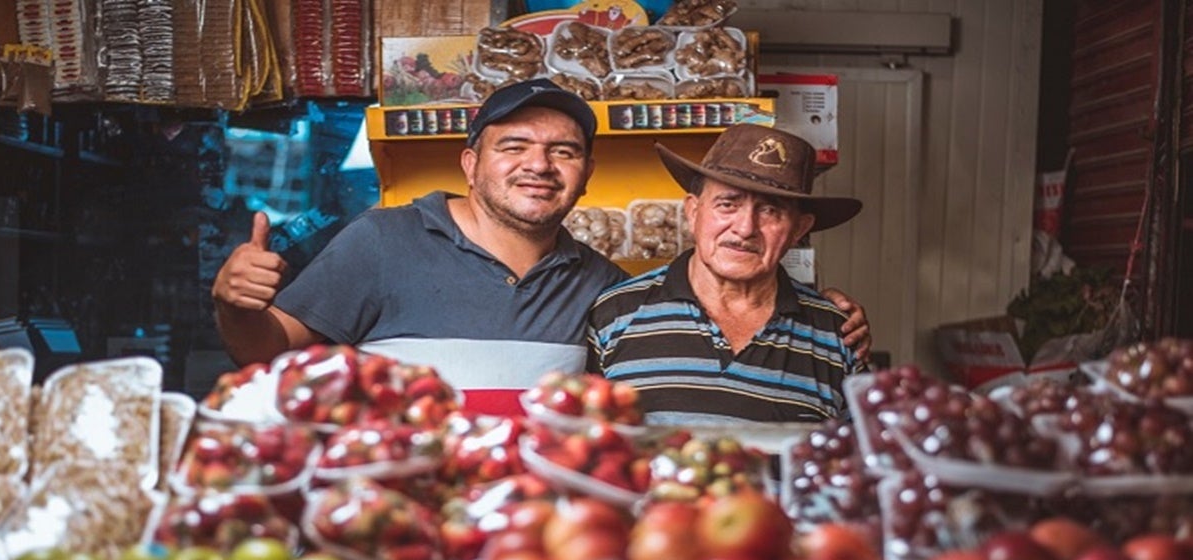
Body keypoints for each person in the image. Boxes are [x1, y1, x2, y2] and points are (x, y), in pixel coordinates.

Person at [212, 78, 870, 416]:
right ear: (471, 164)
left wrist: (821, 316)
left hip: (537, 557)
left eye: (564, 152)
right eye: (515, 148)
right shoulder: (381, 242)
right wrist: (236, 307)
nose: (540, 166)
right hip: (397, 550)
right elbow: (265, 354)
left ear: (584, 176)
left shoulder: (602, 291)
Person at [586, 122, 866, 426]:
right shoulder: (613, 315)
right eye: (727, 204)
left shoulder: (838, 334)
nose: (745, 228)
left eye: (770, 210)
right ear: (693, 213)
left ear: (799, 229)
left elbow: (862, 459)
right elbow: (576, 446)